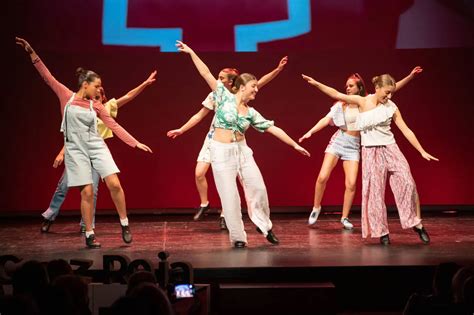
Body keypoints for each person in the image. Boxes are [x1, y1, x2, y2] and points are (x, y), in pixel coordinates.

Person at [16, 37, 152, 248]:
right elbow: (47, 76)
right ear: (85, 85)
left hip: (96, 145)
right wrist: (32, 52)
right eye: (96, 86)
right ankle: (89, 233)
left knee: (114, 183)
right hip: (75, 149)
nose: (99, 90)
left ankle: (124, 224)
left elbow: (113, 125)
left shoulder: (96, 106)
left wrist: (135, 143)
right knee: (87, 192)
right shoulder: (66, 96)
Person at [177, 40, 310, 248]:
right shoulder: (222, 95)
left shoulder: (251, 113)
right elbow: (205, 73)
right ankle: (238, 238)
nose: (256, 90)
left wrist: (294, 145)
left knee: (258, 188)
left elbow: (273, 128)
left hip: (242, 151)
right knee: (230, 197)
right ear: (241, 87)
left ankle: (264, 226)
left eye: (256, 86)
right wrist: (192, 52)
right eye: (253, 87)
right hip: (220, 151)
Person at [302, 72, 438, 245]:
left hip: (391, 148)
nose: (389, 96)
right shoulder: (363, 101)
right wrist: (316, 83)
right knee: (374, 193)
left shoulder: (391, 106)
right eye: (386, 92)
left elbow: (406, 129)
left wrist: (421, 150)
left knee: (407, 182)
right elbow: (336, 94)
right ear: (377, 88)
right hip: (370, 151)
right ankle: (381, 232)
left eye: (392, 93)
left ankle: (416, 224)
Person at [167, 57, 288, 230]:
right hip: (213, 138)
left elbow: (260, 82)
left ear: (232, 82)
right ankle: (204, 203)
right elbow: (199, 115)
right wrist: (181, 129)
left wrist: (277, 70)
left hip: (234, 143)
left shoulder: (241, 93)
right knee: (199, 172)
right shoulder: (216, 93)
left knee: (232, 179)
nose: (218, 80)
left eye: (222, 78)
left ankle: (226, 214)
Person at [40, 72, 157, 233]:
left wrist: (144, 83)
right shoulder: (80, 105)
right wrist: (62, 153)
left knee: (91, 191)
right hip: (78, 151)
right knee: (63, 185)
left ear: (103, 97)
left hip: (96, 153)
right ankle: (49, 216)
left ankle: (86, 226)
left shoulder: (106, 108)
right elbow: (72, 134)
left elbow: (129, 97)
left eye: (100, 93)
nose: (97, 95)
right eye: (95, 91)